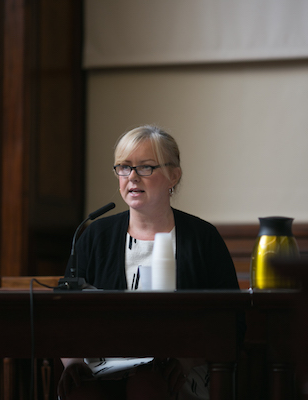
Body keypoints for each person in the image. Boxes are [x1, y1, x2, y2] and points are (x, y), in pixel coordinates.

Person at [57, 125, 241, 400]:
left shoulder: (202, 238)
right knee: (81, 393)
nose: (131, 177)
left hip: (179, 368)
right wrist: (72, 362)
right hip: (103, 368)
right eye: (123, 167)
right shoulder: (95, 235)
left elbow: (231, 320)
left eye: (145, 167)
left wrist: (187, 360)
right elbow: (64, 314)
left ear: (173, 176)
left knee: (147, 386)